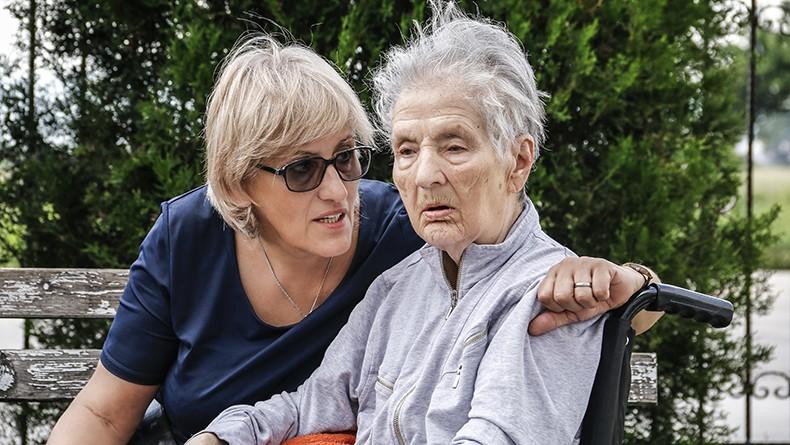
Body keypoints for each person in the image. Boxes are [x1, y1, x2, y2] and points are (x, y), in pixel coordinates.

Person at [48, 14, 659, 445]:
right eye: (303, 169)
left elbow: (553, 295)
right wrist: (220, 437)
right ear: (238, 187)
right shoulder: (403, 277)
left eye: (347, 157)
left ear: (520, 160)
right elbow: (312, 400)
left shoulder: (424, 238)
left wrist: (628, 286)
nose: (340, 190)